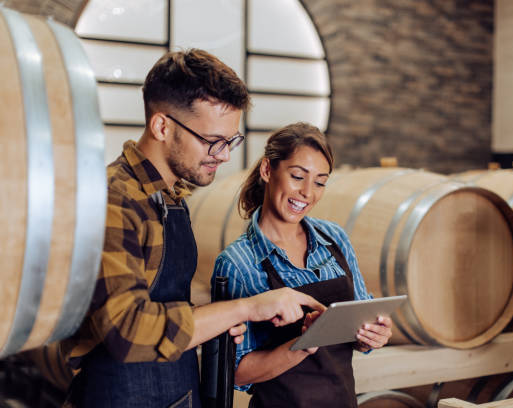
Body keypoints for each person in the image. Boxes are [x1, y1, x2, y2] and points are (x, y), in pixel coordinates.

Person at [60, 50, 324, 408]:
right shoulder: (113, 200)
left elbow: (164, 303)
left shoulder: (171, 197)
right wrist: (245, 309)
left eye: (230, 141)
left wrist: (211, 321)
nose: (225, 155)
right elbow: (127, 331)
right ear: (162, 126)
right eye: (213, 141)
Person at [212, 122, 393, 408]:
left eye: (320, 182)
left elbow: (359, 320)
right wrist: (301, 347)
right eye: (298, 176)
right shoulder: (237, 263)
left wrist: (371, 335)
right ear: (267, 170)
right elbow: (236, 372)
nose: (308, 192)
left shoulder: (334, 238)